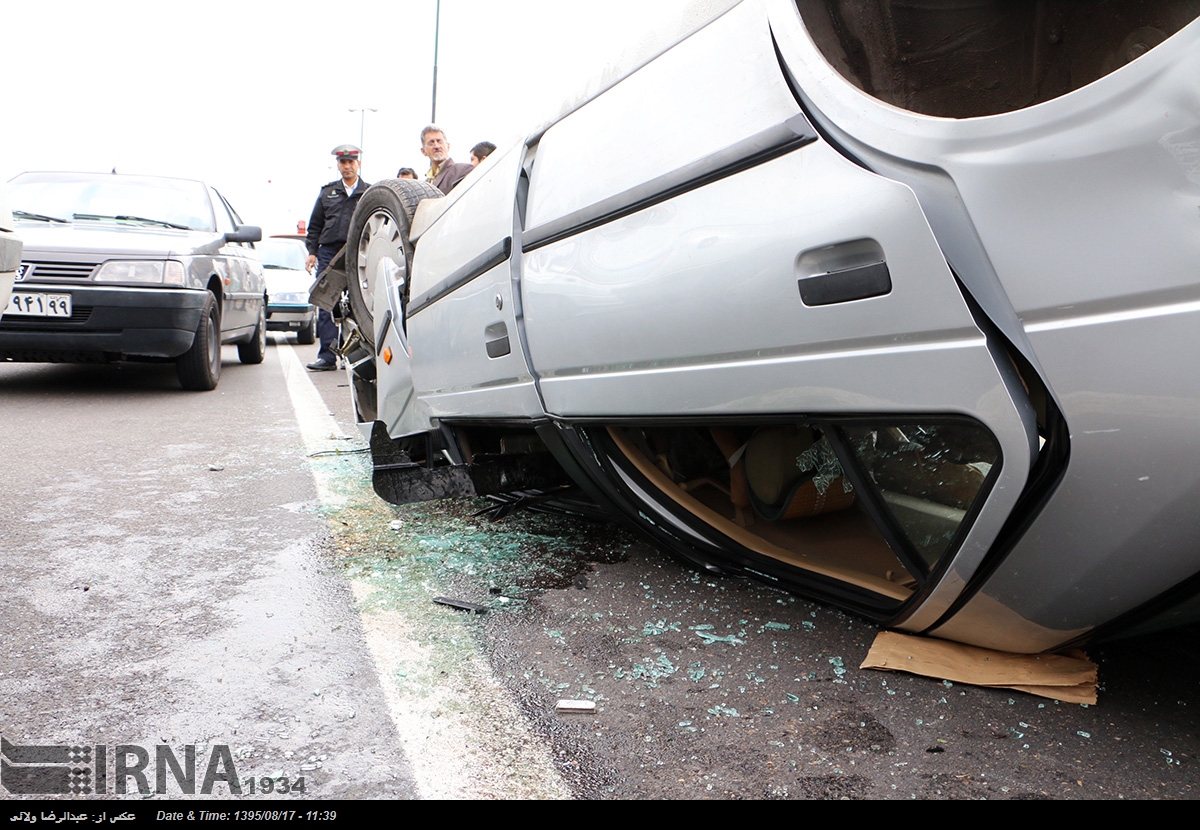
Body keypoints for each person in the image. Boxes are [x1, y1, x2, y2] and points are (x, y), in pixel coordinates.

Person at [304, 144, 370, 371]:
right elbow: (315, 226)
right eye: (343, 162)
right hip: (329, 254)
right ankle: (328, 356)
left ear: (358, 164)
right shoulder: (327, 193)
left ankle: (354, 357)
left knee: (357, 305)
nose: (347, 166)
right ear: (338, 165)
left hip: (356, 253)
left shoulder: (368, 192)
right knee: (326, 305)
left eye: (351, 162)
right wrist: (312, 252)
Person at [420, 126, 474, 194]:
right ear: (423, 151)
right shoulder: (424, 186)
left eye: (439, 141)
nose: (436, 146)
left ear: (448, 146)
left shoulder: (463, 170)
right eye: (431, 143)